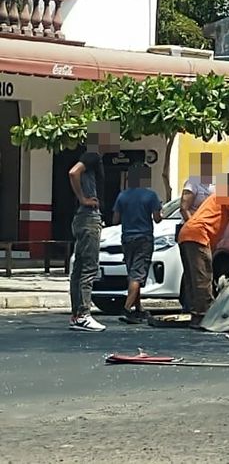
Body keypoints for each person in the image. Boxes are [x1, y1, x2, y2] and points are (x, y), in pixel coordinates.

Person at [177, 173, 229, 328]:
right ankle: (204, 317)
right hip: (198, 235)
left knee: (193, 279)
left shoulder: (218, 195)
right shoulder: (227, 194)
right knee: (203, 278)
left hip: (187, 234)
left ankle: (195, 314)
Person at [67, 122, 119, 332]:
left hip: (81, 218)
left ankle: (77, 314)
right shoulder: (93, 156)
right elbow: (73, 173)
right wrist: (84, 198)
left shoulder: (92, 156)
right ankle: (84, 314)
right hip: (89, 216)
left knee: (79, 268)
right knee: (89, 267)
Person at [112, 165, 163, 324]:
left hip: (127, 238)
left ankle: (138, 308)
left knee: (132, 273)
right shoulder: (151, 195)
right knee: (138, 275)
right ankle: (127, 310)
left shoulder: (122, 196)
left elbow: (115, 220)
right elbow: (157, 218)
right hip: (144, 238)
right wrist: (161, 212)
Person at [178, 153, 215, 313]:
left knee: (200, 272)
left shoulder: (214, 185)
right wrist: (194, 224)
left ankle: (194, 307)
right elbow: (183, 208)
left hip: (205, 232)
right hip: (192, 230)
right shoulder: (193, 183)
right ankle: (194, 309)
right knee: (196, 273)